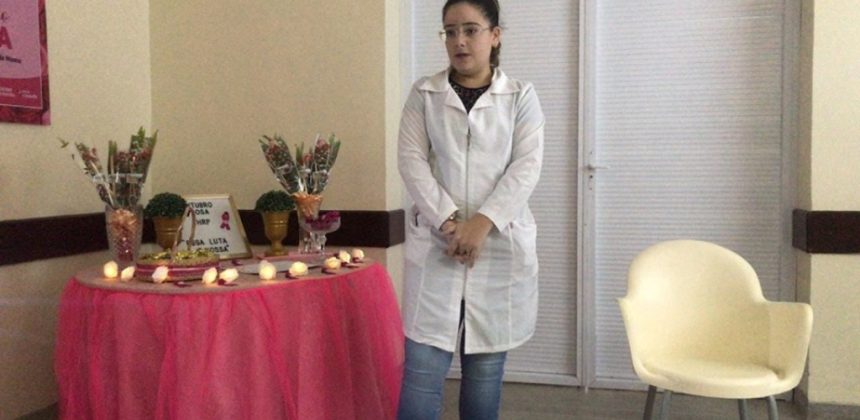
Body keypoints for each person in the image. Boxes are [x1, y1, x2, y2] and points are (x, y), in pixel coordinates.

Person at [396, 0, 544, 418]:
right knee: (421, 371)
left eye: (471, 29)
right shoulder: (424, 94)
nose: (459, 40)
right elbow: (411, 161)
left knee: (484, 373)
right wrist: (449, 223)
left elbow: (526, 167)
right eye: (450, 31)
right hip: (437, 245)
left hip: (497, 247)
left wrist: (481, 224)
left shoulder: (521, 97)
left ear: (495, 35)